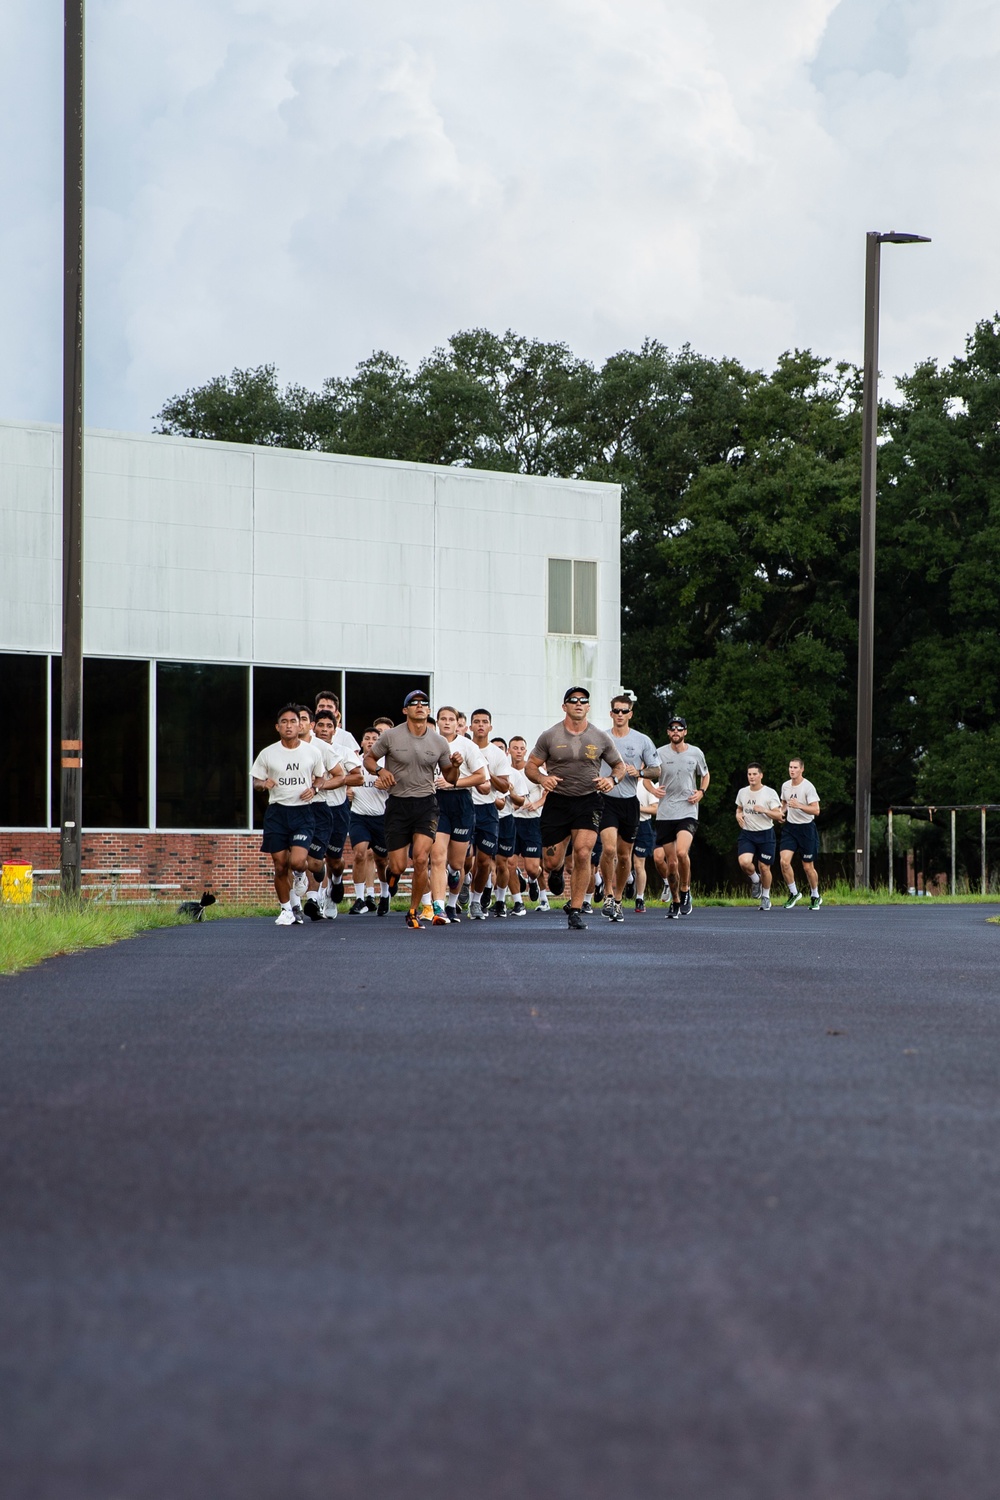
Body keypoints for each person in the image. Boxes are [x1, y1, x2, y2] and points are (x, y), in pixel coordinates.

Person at [527, 687, 625, 930]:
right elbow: (530, 766)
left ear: (588, 707)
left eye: (583, 701)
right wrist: (542, 779)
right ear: (565, 707)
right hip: (558, 801)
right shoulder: (550, 736)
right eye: (573, 700)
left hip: (588, 800)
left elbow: (619, 766)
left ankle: (576, 909)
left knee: (583, 853)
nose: (578, 704)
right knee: (550, 862)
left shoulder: (600, 737)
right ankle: (557, 870)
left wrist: (611, 780)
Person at [365, 690, 462, 928]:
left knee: (421, 859)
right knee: (398, 865)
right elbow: (368, 759)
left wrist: (456, 767)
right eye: (414, 703)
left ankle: (413, 911)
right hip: (398, 804)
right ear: (405, 710)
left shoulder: (439, 741)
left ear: (428, 710)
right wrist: (380, 771)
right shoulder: (390, 736)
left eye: (424, 704)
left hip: (426, 805)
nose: (419, 706)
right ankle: (393, 873)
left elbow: (450, 776)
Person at [251, 704, 327, 926]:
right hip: (277, 812)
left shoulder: (312, 752)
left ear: (300, 725)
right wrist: (264, 783)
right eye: (284, 722)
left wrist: (314, 789)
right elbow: (255, 781)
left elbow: (320, 777)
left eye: (293, 721)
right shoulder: (267, 753)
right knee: (279, 864)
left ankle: (300, 876)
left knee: (297, 861)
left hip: (303, 812)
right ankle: (286, 909)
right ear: (277, 727)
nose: (289, 725)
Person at [597, 695, 661, 922]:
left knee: (625, 857)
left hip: (629, 802)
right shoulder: (601, 738)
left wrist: (640, 773)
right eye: (617, 711)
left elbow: (657, 770)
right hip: (606, 800)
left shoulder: (642, 740)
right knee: (609, 849)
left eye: (625, 711)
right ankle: (606, 894)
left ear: (631, 714)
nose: (620, 715)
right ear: (611, 713)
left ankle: (617, 899)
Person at [432, 706, 490, 922]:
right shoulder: (430, 742)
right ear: (437, 722)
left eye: (451, 719)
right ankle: (440, 907)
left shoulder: (467, 745)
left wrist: (453, 782)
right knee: (437, 857)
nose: (447, 723)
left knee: (456, 864)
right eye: (443, 719)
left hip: (461, 801)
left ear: (458, 723)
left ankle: (452, 899)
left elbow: (481, 777)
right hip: (436, 802)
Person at [649, 716, 709, 919]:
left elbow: (705, 774)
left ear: (685, 732)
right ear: (668, 732)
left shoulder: (695, 753)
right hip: (666, 813)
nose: (676, 731)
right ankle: (675, 900)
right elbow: (646, 775)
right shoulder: (659, 753)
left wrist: (701, 791)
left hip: (688, 810)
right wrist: (652, 789)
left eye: (679, 728)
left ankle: (685, 890)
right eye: (672, 728)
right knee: (671, 863)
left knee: (682, 853)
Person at [467, 709, 512, 921]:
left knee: (484, 861)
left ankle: (476, 902)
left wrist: (486, 771)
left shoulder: (497, 753)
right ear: (470, 727)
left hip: (487, 809)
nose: (481, 725)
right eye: (476, 722)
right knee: (462, 861)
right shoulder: (463, 747)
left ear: (490, 727)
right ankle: (461, 887)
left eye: (485, 722)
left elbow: (504, 786)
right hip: (464, 806)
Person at [348, 727, 391, 915]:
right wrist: (346, 792)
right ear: (362, 743)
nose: (371, 741)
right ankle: (359, 899)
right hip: (359, 816)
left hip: (381, 818)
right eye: (367, 738)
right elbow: (343, 782)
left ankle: (385, 895)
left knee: (382, 861)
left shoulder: (385, 764)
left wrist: (386, 785)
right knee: (359, 854)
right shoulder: (354, 763)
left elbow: (397, 787)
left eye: (375, 738)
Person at [736, 763, 783, 911]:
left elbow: (779, 814)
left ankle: (766, 897)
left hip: (765, 834)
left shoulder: (769, 793)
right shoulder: (742, 792)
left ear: (761, 775)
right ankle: (755, 880)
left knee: (764, 867)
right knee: (744, 862)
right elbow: (739, 809)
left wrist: (763, 810)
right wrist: (738, 815)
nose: (751, 777)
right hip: (748, 833)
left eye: (754, 774)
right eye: (749, 774)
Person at [508, 736, 544, 916]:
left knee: (531, 867)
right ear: (509, 751)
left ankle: (533, 879)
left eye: (522, 748)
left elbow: (550, 791)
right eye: (515, 748)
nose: (519, 751)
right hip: (512, 820)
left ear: (526, 751)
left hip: (532, 821)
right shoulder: (505, 772)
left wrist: (537, 804)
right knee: (509, 863)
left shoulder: (534, 771)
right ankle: (518, 903)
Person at [780, 757, 822, 910]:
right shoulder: (785, 786)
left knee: (807, 867)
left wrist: (799, 805)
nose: (792, 770)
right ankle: (794, 893)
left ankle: (815, 894)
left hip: (806, 829)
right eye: (790, 767)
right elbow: (784, 803)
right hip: (790, 828)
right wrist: (780, 813)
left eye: (795, 767)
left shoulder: (808, 787)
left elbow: (816, 810)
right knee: (784, 862)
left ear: (802, 769)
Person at [632, 777, 659, 912]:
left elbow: (655, 809)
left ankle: (640, 898)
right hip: (625, 825)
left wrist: (638, 808)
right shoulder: (621, 782)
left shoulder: (647, 784)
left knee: (638, 864)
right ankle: (629, 880)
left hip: (643, 826)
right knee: (621, 860)